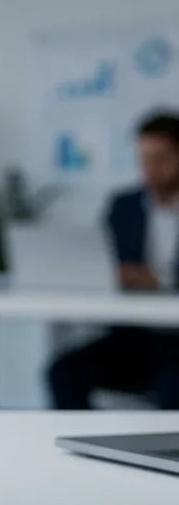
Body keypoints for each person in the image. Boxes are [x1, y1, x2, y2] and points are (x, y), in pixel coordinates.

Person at [48, 113, 179, 409]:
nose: (150, 169)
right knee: (64, 372)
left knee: (172, 384)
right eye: (144, 159)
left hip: (176, 339)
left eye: (161, 158)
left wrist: (161, 280)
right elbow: (103, 259)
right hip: (134, 335)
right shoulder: (124, 205)